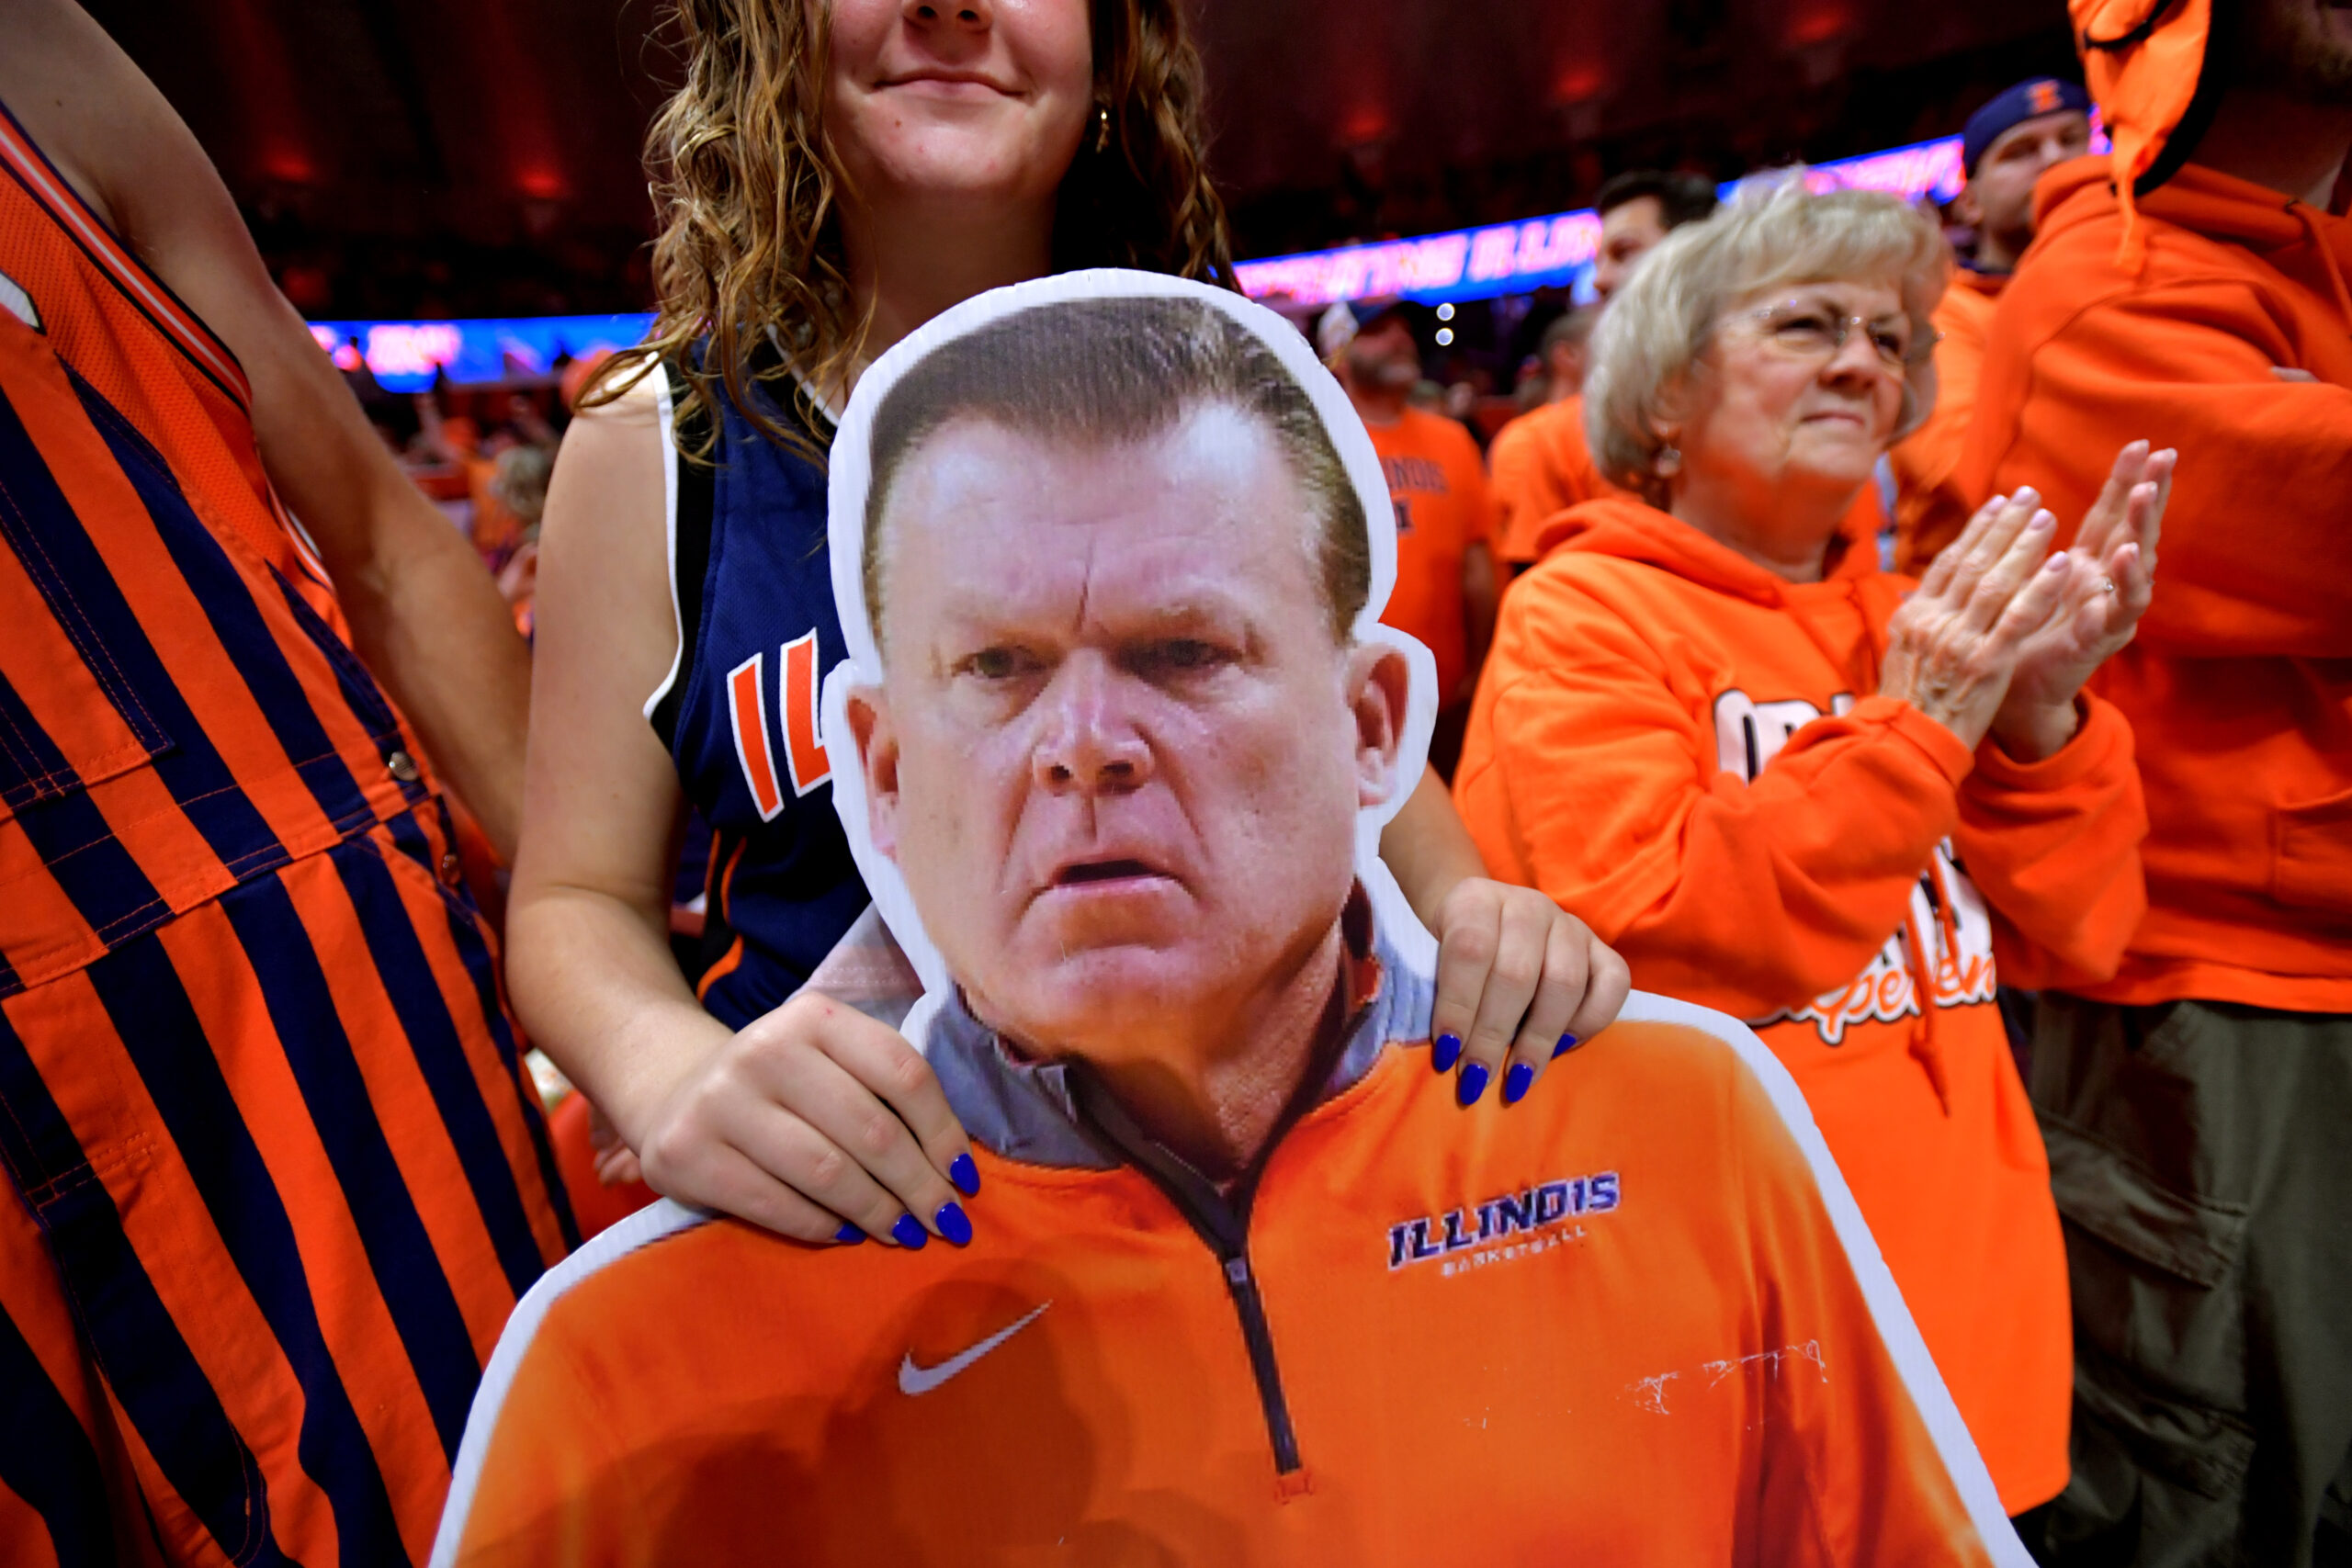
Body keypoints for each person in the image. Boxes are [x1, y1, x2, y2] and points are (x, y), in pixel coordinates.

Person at [436, 280, 2029, 1566]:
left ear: (1375, 722)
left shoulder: (1680, 1128)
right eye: (994, 669)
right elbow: (573, 895)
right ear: (880, 770)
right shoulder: (641, 1357)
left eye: (1185, 651)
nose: (1085, 743)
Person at [510, 0, 1629, 1259]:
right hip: (863, 1245)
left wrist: (1479, 915)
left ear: (1109, 48)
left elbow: (1344, 752)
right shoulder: (655, 438)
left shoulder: (1224, 386)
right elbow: (575, 897)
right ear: (775, 33)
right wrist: (665, 1069)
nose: (951, 5)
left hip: (1255, 1207)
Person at [1453, 178, 2171, 1532]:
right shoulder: (1581, 612)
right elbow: (1664, 933)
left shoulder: (1911, 622)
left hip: (1969, 1323)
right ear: (1666, 396)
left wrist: (2034, 719)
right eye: (1805, 325)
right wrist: (1918, 726)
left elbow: (2084, 926)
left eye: (1891, 338)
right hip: (1730, 1337)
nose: (1863, 358)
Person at [0, 5, 574, 1562]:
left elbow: (378, 543)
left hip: (304, 1008)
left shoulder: (33, 48)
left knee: (525, 1519)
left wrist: (616, 969)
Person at [1959, 0, 2352, 1557]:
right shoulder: (2101, 289)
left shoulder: (2301, 260)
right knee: (2234, 1508)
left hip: (2285, 997)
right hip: (2226, 1014)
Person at [1888, 78, 2093, 572]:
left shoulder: (2131, 277)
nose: (2053, 160)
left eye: (2071, 139)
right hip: (1976, 615)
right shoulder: (1937, 312)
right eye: (2020, 151)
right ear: (1970, 203)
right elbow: (1987, 481)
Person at [1490, 170, 1719, 568]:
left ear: (1697, 255)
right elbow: (1540, 596)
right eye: (1598, 259)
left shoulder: (1787, 407)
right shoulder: (1552, 437)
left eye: (1624, 252)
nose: (1599, 280)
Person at [1319, 298, 1498, 772]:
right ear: (1338, 349)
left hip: (1448, 700)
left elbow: (1478, 570)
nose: (1401, 338)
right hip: (1345, 704)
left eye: (1405, 329)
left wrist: (1482, 669)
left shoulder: (1452, 439)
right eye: (1379, 330)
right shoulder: (1314, 443)